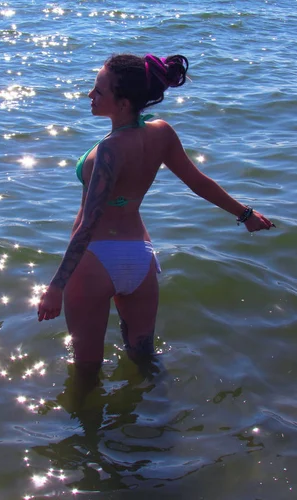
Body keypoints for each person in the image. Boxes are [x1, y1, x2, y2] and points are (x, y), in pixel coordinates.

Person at [37, 53, 274, 377]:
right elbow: (198, 182)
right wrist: (245, 213)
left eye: (98, 91)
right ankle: (153, 420)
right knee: (144, 359)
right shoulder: (161, 133)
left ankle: (92, 427)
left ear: (122, 104)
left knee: (86, 371)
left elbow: (88, 224)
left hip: (94, 262)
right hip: (140, 258)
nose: (90, 96)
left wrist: (56, 286)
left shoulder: (109, 150)